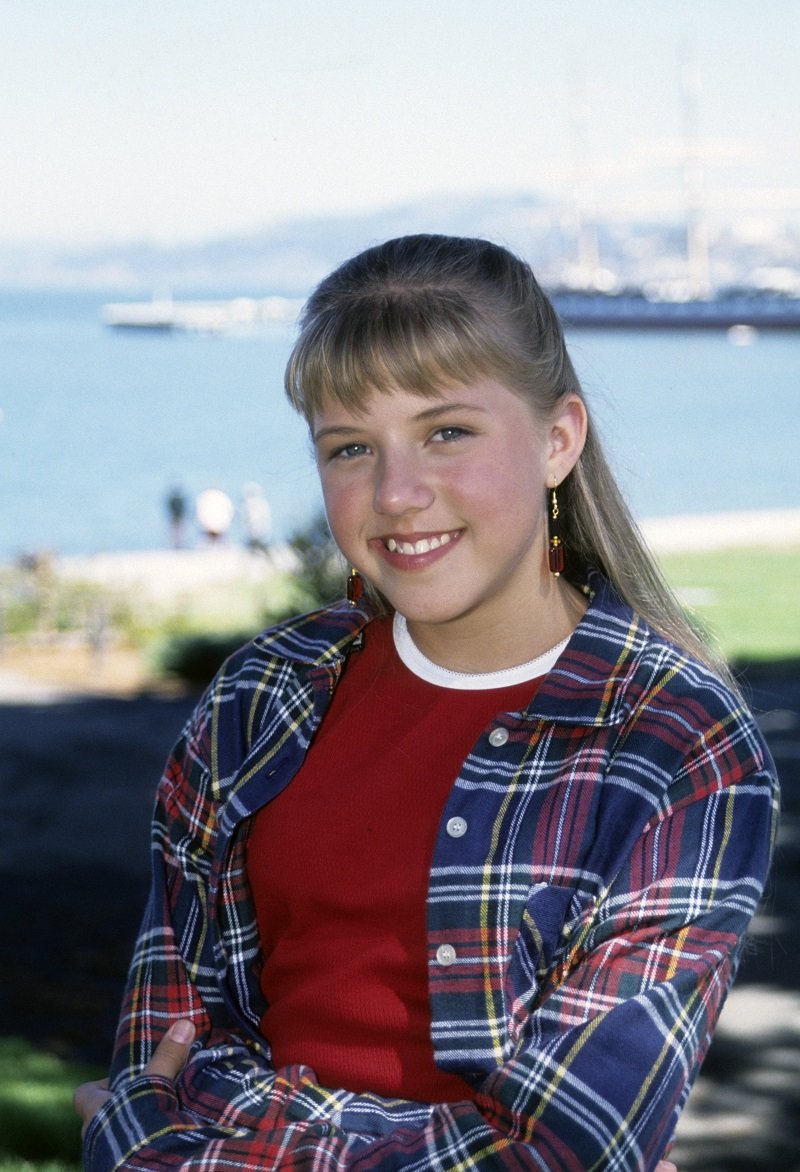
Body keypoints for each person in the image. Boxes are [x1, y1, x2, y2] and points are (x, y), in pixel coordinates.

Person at [75, 235, 778, 1170]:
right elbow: (161, 1038)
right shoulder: (261, 696)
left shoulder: (678, 746)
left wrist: (185, 1144)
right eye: (351, 447)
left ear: (558, 438)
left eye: (447, 431)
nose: (398, 494)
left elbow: (562, 1151)